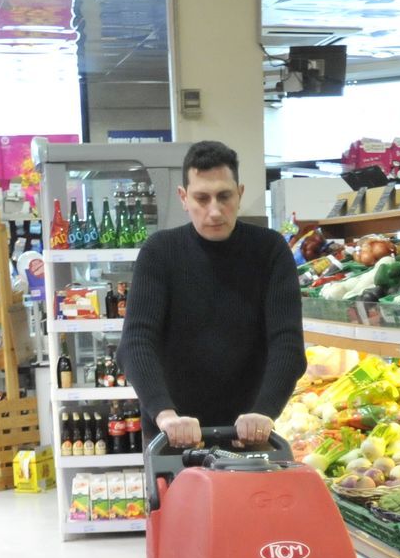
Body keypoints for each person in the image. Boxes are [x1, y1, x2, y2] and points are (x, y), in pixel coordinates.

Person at [121, 140, 305, 449]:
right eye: (202, 198)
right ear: (183, 198)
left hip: (250, 435)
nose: (215, 211)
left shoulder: (271, 251)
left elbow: (287, 342)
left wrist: (264, 411)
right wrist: (166, 416)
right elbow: (137, 341)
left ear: (240, 193)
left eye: (224, 196)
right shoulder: (159, 252)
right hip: (173, 437)